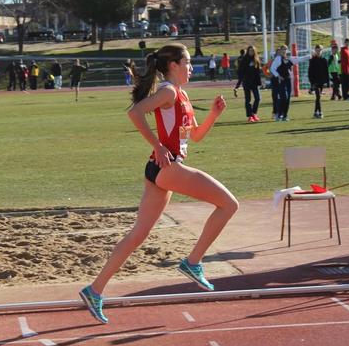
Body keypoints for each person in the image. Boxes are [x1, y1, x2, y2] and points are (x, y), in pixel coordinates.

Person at [79, 43, 238, 323]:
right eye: (188, 62)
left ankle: (94, 290)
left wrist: (214, 113)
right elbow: (134, 112)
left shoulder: (182, 95)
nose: (191, 67)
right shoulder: (168, 91)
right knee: (228, 204)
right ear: (173, 65)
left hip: (158, 170)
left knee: (137, 235)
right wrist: (158, 145)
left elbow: (196, 136)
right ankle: (193, 262)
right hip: (168, 166)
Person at [270, 45, 308, 121]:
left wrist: (309, 56)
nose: (284, 51)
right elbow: (272, 69)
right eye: (283, 49)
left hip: (288, 80)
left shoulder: (289, 58)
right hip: (281, 81)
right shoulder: (278, 59)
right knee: (283, 97)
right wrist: (278, 76)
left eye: (286, 49)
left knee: (288, 99)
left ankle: (285, 115)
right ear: (280, 51)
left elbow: (299, 59)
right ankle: (279, 114)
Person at [236, 45, 262, 123]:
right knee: (248, 100)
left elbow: (258, 73)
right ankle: (250, 116)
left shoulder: (256, 60)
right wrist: (238, 84)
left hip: (254, 83)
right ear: (248, 51)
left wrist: (260, 82)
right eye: (250, 51)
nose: (251, 52)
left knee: (258, 98)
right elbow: (240, 73)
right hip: (247, 82)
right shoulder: (244, 60)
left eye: (253, 51)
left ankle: (254, 113)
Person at [308, 44, 329, 118]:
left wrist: (327, 82)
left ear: (322, 51)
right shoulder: (312, 60)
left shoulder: (324, 60)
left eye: (320, 50)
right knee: (318, 96)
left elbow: (326, 72)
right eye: (317, 50)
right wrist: (311, 82)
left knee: (318, 97)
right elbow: (310, 72)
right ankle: (320, 112)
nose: (318, 51)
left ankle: (315, 112)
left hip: (322, 81)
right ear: (315, 51)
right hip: (315, 81)